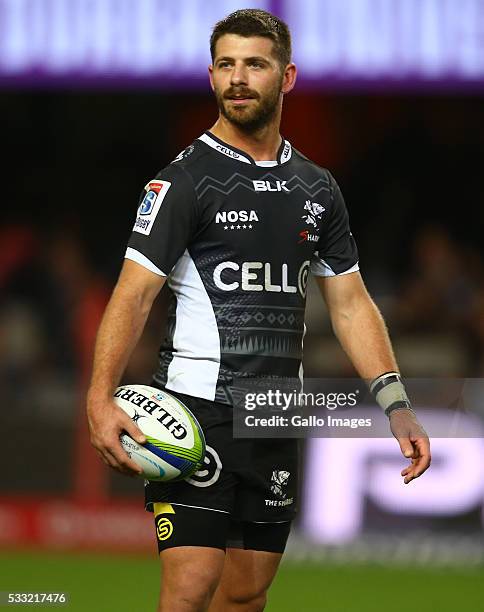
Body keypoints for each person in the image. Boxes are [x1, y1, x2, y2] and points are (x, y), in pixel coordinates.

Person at [87, 9, 431, 612]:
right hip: (197, 412)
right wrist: (99, 397)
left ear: (287, 76)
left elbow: (350, 304)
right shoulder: (184, 182)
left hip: (276, 414)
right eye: (226, 65)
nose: (238, 78)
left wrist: (395, 403)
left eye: (255, 64)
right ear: (211, 76)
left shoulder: (317, 189)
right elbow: (133, 293)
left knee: (245, 595)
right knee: (191, 586)